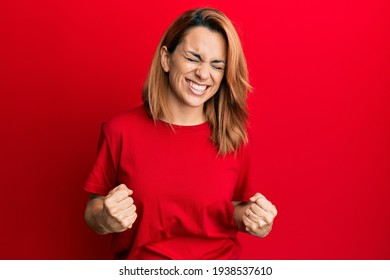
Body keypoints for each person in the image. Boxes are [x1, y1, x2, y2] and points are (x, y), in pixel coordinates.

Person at [83, 7, 277, 260]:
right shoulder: (120, 131)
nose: (204, 73)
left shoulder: (233, 136)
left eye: (217, 65)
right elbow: (93, 208)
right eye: (193, 57)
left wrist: (257, 220)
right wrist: (105, 218)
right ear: (166, 58)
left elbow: (233, 207)